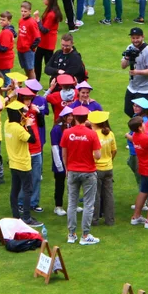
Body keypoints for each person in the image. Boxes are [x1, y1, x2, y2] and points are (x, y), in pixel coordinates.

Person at [62, 105, 101, 245]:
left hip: (72, 171)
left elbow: (64, 153)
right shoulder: (92, 134)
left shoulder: (67, 132)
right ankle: (85, 235)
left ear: (74, 117)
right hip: (88, 172)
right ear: (86, 118)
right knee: (89, 204)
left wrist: (67, 168)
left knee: (71, 203)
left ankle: (71, 234)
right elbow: (98, 155)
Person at [4, 102, 37, 226]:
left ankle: (16, 215)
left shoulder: (7, 124)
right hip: (23, 164)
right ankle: (27, 217)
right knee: (27, 190)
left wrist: (24, 120)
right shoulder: (19, 129)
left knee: (15, 190)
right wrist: (28, 126)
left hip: (13, 163)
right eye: (21, 112)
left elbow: (17, 123)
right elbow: (32, 139)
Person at [121, 26, 148, 115]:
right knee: (128, 111)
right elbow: (123, 66)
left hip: (144, 89)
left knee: (140, 114)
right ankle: (137, 127)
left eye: (137, 38)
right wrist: (127, 57)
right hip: (132, 87)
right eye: (133, 38)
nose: (135, 40)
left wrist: (137, 72)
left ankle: (143, 128)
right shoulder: (130, 47)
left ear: (143, 37)